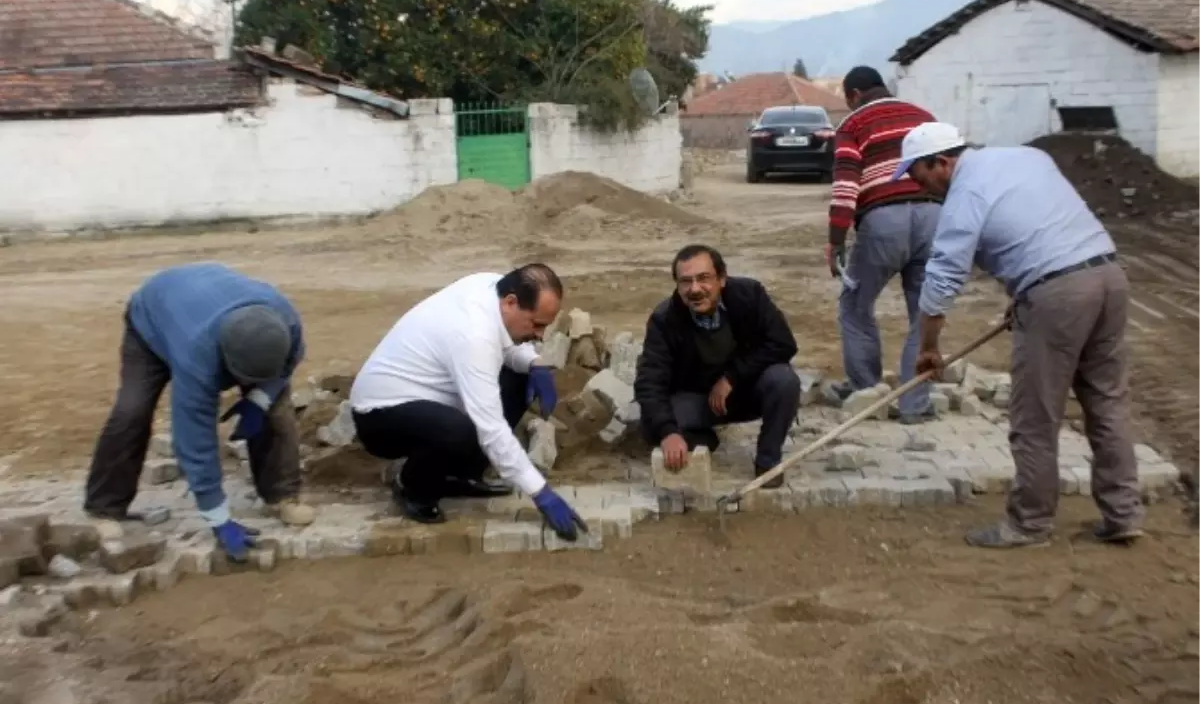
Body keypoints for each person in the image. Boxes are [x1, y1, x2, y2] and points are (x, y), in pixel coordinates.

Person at [896, 121, 1144, 548]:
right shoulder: (1026, 157)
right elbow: (1041, 225)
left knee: (1035, 416)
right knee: (1106, 401)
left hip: (1058, 294)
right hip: (1107, 276)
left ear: (942, 162)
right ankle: (1123, 514)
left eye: (920, 177)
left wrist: (928, 349)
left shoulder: (964, 194)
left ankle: (1029, 524)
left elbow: (940, 283)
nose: (923, 189)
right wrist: (1025, 293)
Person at [85, 262, 310, 562]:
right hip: (152, 321)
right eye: (243, 378)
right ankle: (105, 508)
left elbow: (285, 366)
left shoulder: (286, 324)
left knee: (276, 410)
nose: (245, 385)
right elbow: (193, 436)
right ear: (225, 360)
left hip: (204, 302)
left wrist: (260, 398)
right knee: (132, 411)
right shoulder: (198, 357)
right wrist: (217, 517)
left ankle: (281, 495)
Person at [349, 264, 588, 541]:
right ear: (511, 302)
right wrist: (540, 492)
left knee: (519, 376)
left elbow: (510, 345)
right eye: (537, 325)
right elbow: (491, 428)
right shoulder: (473, 335)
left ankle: (458, 476)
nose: (540, 335)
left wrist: (534, 364)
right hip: (380, 415)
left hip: (431, 399)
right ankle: (412, 486)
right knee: (457, 431)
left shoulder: (491, 287)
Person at [828, 65, 942, 424]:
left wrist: (835, 241)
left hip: (883, 220)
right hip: (934, 216)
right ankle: (915, 405)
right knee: (922, 313)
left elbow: (846, 187)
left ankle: (866, 392)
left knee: (854, 304)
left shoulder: (854, 124)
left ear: (854, 95)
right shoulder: (923, 117)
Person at [634, 244, 801, 488]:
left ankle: (768, 461)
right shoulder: (664, 319)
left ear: (721, 279)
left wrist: (731, 378)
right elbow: (650, 380)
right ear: (677, 286)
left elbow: (783, 343)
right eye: (685, 281)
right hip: (698, 399)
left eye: (703, 279)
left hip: (745, 392)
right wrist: (668, 432)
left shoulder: (749, 296)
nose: (695, 289)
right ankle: (703, 439)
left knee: (784, 381)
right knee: (653, 424)